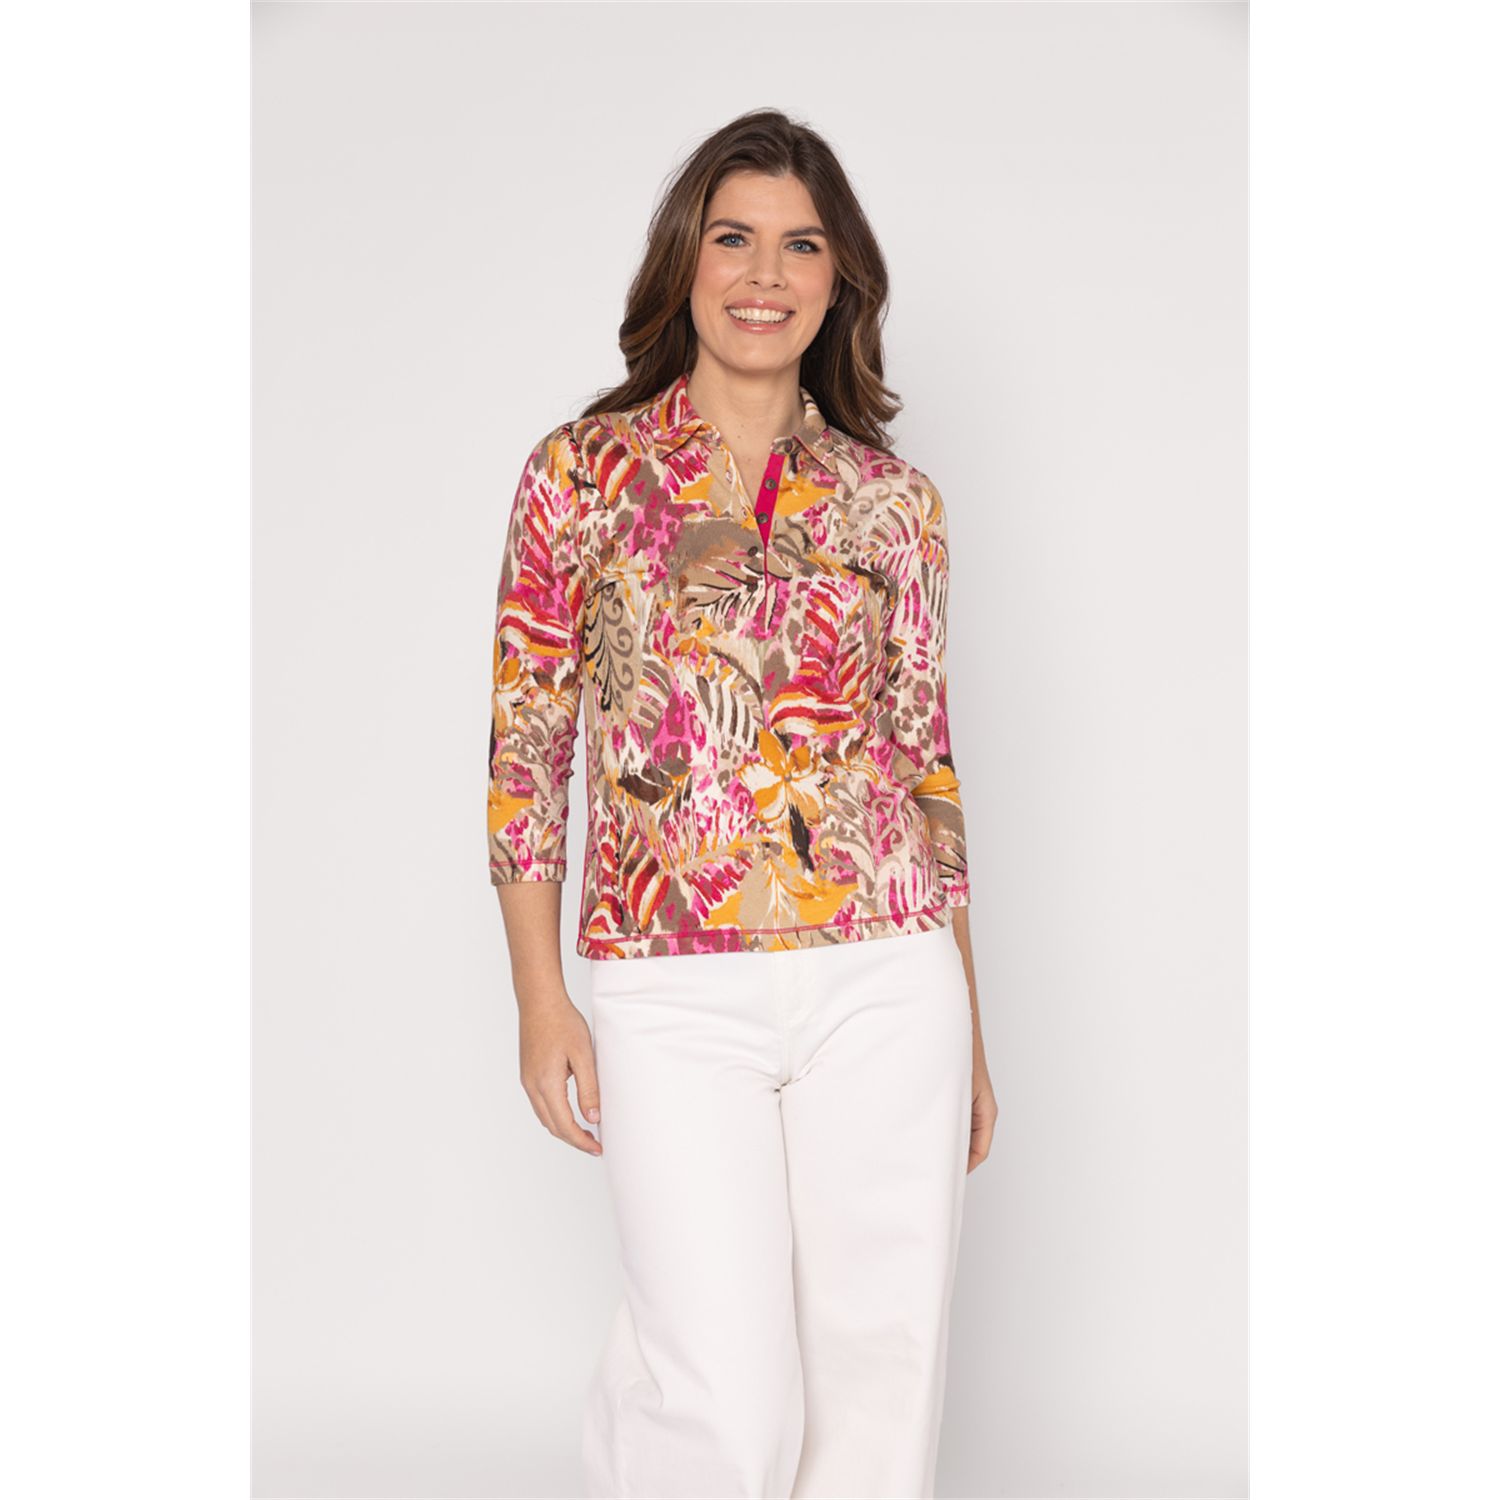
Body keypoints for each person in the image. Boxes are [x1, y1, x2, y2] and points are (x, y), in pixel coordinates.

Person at [487, 108, 998, 1498]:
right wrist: (541, 999)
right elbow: (527, 754)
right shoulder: (580, 477)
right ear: (687, 261)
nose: (765, 274)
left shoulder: (895, 505)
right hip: (669, 981)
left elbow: (925, 764)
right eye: (734, 238)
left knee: (880, 1374)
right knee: (718, 1392)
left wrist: (970, 1018)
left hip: (887, 975)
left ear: (840, 281)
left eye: (801, 244)